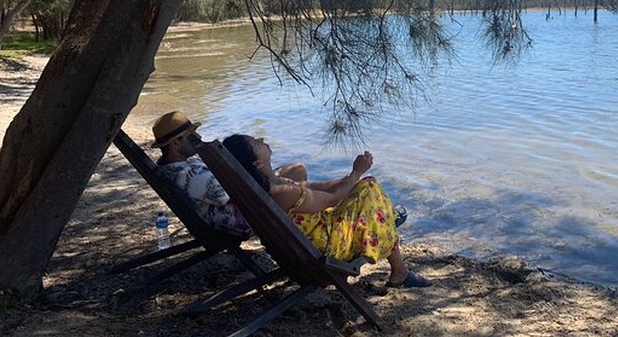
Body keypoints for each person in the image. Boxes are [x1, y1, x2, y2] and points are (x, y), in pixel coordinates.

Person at [222, 133, 430, 288]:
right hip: (325, 248)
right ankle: (396, 258)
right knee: (369, 186)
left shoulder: (262, 186)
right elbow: (333, 198)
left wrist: (346, 181)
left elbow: (321, 189)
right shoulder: (281, 192)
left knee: (359, 193)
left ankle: (386, 220)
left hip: (301, 246)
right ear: (257, 163)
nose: (261, 138)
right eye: (256, 143)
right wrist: (357, 172)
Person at [151, 111, 306, 235]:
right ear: (176, 143)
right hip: (245, 217)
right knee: (296, 173)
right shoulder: (195, 176)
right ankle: (308, 234)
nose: (198, 137)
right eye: (191, 136)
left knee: (294, 171)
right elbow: (238, 195)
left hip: (224, 212)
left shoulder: (169, 167)